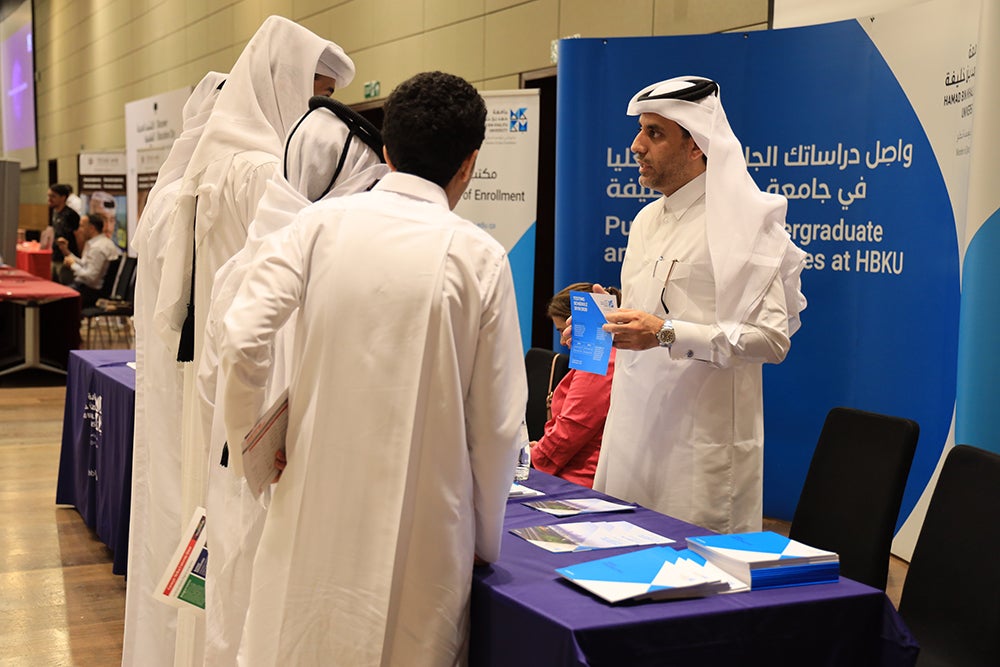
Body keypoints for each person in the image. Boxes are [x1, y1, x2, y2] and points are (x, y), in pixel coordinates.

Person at [217, 71, 526, 666]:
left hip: (311, 490)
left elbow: (242, 338)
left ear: (386, 151)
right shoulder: (480, 256)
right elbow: (497, 419)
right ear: (470, 163)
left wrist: (252, 445)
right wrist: (485, 535)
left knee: (298, 637)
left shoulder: (315, 226)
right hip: (427, 515)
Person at [571, 76, 807, 534]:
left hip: (700, 451)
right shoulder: (644, 221)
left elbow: (773, 340)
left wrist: (665, 333)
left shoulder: (745, 221)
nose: (637, 146)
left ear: (697, 145)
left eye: (654, 133)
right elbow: (653, 313)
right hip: (632, 437)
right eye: (640, 131)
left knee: (693, 592)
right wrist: (604, 323)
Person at [198, 96, 388, 666]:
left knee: (246, 611)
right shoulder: (326, 261)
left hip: (250, 464)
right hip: (288, 471)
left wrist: (243, 438)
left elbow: (215, 376)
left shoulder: (247, 258)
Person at [122, 70, 226, 667]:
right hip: (193, 393)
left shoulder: (170, 195)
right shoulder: (199, 196)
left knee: (167, 509)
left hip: (170, 390)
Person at [529, 282, 620, 487]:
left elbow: (572, 427)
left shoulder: (599, 360)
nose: (562, 341)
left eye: (563, 330)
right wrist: (539, 449)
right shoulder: (602, 358)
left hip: (577, 482)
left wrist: (535, 458)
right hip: (570, 473)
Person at [57, 214, 122, 307]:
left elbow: (91, 278)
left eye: (82, 226)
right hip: (87, 288)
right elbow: (84, 264)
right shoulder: (98, 243)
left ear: (91, 228)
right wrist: (66, 251)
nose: (79, 230)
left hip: (91, 292)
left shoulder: (98, 248)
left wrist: (72, 265)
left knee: (56, 299)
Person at [47, 183, 80, 284]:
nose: (49, 199)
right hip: (55, 256)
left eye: (53, 196)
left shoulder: (71, 215)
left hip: (67, 259)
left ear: (63, 197)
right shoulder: (55, 212)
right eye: (48, 196)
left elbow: (78, 237)